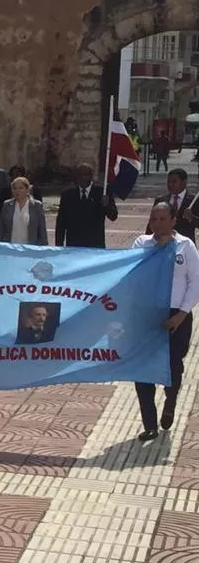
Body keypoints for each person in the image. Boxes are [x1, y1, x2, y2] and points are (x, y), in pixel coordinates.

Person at [132, 202, 199, 442]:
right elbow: (133, 274)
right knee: (142, 369)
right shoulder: (142, 244)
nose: (157, 224)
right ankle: (149, 424)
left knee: (172, 365)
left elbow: (195, 282)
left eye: (162, 219)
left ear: (173, 221)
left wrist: (181, 314)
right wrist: (156, 250)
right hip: (147, 315)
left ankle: (170, 401)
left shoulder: (185, 246)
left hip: (177, 315)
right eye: (154, 219)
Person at [56, 163, 118, 248]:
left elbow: (113, 216)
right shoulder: (67, 195)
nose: (82, 178)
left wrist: (107, 206)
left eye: (85, 175)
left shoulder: (102, 192)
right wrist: (59, 245)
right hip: (74, 245)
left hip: (95, 245)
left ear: (91, 176)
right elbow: (61, 222)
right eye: (79, 175)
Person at [0, 176, 48, 245]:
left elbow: (42, 231)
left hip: (29, 248)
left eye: (21, 188)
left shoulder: (36, 205)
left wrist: (44, 247)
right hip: (10, 247)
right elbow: (1, 229)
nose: (17, 191)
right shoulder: (7, 205)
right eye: (14, 188)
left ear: (27, 190)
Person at [152, 169, 197, 241]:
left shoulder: (194, 201)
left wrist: (192, 218)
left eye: (174, 182)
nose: (170, 185)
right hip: (162, 244)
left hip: (184, 246)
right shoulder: (161, 200)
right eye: (168, 181)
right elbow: (151, 223)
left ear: (184, 182)